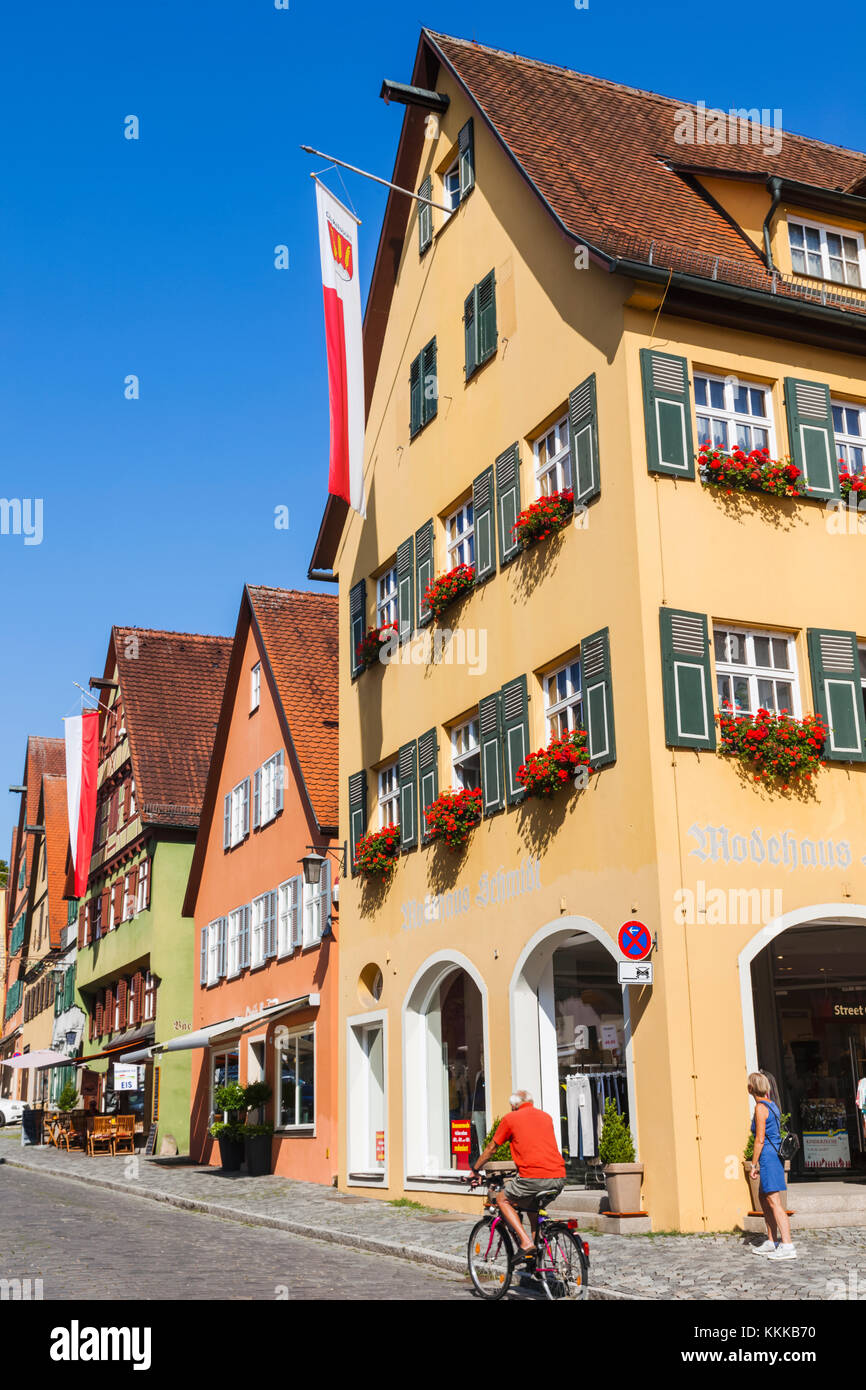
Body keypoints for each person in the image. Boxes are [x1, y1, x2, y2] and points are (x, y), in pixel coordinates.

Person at [467, 1089, 566, 1267]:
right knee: (531, 1206)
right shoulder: (546, 1117)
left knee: (502, 1199)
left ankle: (526, 1242)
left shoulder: (510, 1119)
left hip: (532, 1177)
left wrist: (475, 1169)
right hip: (559, 1177)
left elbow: (491, 1149)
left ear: (513, 1105)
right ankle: (535, 1261)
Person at [748, 1071, 796, 1260]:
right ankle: (771, 1240)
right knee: (763, 1197)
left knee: (775, 1202)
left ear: (751, 1088)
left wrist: (753, 1165)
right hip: (774, 1154)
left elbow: (759, 1139)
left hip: (768, 1156)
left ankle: (787, 1245)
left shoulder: (760, 1108)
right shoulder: (772, 1105)